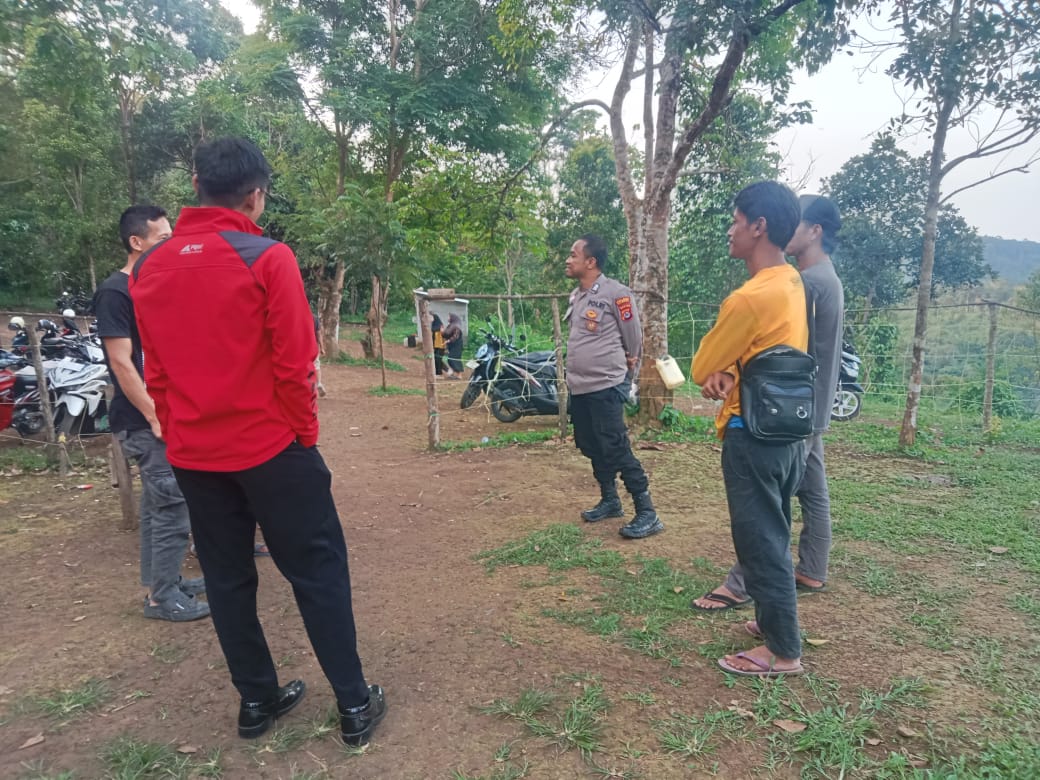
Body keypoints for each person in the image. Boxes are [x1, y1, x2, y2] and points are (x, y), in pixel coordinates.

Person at [129, 137, 386, 744]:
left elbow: (155, 368)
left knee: (226, 578)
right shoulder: (268, 257)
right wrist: (304, 437)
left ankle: (256, 701)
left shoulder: (148, 267)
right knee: (317, 571)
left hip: (194, 455)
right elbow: (295, 363)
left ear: (196, 185)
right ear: (256, 196)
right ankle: (353, 704)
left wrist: (177, 431)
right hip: (271, 450)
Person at [693, 195, 844, 613]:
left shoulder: (802, 283)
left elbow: (771, 349)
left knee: (764, 510)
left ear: (815, 232)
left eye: (797, 225)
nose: (788, 232)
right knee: (809, 491)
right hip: (805, 403)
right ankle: (812, 567)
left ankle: (743, 585)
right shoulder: (812, 278)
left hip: (783, 409)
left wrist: (727, 367)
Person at [691, 181, 807, 677]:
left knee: (760, 541)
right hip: (788, 430)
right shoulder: (791, 282)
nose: (730, 230)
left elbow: (701, 367)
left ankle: (783, 652)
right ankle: (771, 621)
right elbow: (771, 352)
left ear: (759, 226)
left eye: (736, 221)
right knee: (773, 532)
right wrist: (734, 370)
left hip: (752, 433)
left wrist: (719, 368)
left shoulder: (748, 298)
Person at [93, 205, 210, 622]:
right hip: (145, 420)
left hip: (164, 414)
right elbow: (121, 362)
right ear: (136, 242)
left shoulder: (151, 285)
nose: (172, 244)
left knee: (158, 507)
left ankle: (165, 582)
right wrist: (154, 415)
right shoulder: (116, 292)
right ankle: (163, 598)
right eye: (163, 238)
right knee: (171, 506)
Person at [564, 233, 664, 539]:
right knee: (589, 443)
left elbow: (633, 338)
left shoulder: (617, 294)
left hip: (606, 385)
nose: (568, 260)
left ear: (591, 262)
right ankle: (610, 500)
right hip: (580, 387)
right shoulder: (577, 296)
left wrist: (629, 372)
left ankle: (647, 511)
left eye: (573, 255)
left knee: (615, 446)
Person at [443, 312, 464, 377]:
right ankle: (455, 373)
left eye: (449, 317)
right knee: (451, 358)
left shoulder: (456, 326)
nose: (448, 318)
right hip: (452, 345)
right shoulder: (450, 325)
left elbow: (456, 336)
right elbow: (446, 334)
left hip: (457, 345)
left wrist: (449, 340)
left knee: (454, 358)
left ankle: (459, 374)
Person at [431, 313, 450, 377]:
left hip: (440, 346)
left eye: (431, 318)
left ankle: (439, 373)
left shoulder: (440, 327)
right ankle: (447, 371)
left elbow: (443, 337)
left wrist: (445, 347)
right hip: (436, 346)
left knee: (438, 360)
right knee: (436, 360)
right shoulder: (433, 326)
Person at [313, 313, 327, 397]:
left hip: (302, 347)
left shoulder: (299, 317)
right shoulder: (315, 318)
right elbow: (319, 334)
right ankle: (318, 383)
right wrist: (322, 347)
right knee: (316, 365)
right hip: (313, 346)